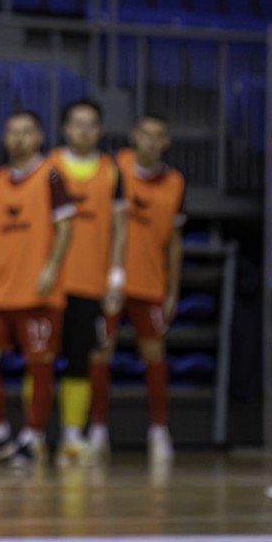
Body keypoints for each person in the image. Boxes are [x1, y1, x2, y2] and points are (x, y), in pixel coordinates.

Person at [0, 111, 74, 467]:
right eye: (12, 132)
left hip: (38, 289)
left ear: (40, 136)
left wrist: (51, 268)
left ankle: (32, 438)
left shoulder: (51, 175)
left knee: (39, 364)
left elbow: (66, 226)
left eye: (26, 132)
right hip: (0, 290)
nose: (19, 138)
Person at [91, 115, 184, 462]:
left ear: (166, 142)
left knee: (154, 355)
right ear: (133, 136)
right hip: (110, 280)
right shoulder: (114, 168)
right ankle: (97, 429)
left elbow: (175, 241)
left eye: (159, 136)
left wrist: (173, 290)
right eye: (145, 134)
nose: (151, 141)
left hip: (151, 282)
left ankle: (159, 429)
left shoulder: (175, 182)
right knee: (101, 353)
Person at [48, 99, 126, 464]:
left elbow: (121, 228)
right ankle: (33, 434)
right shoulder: (49, 169)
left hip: (89, 283)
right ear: (65, 128)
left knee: (81, 361)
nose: (83, 130)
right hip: (49, 285)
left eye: (91, 124)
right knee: (41, 359)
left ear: (99, 130)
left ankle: (71, 436)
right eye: (77, 123)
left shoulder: (112, 172)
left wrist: (115, 274)